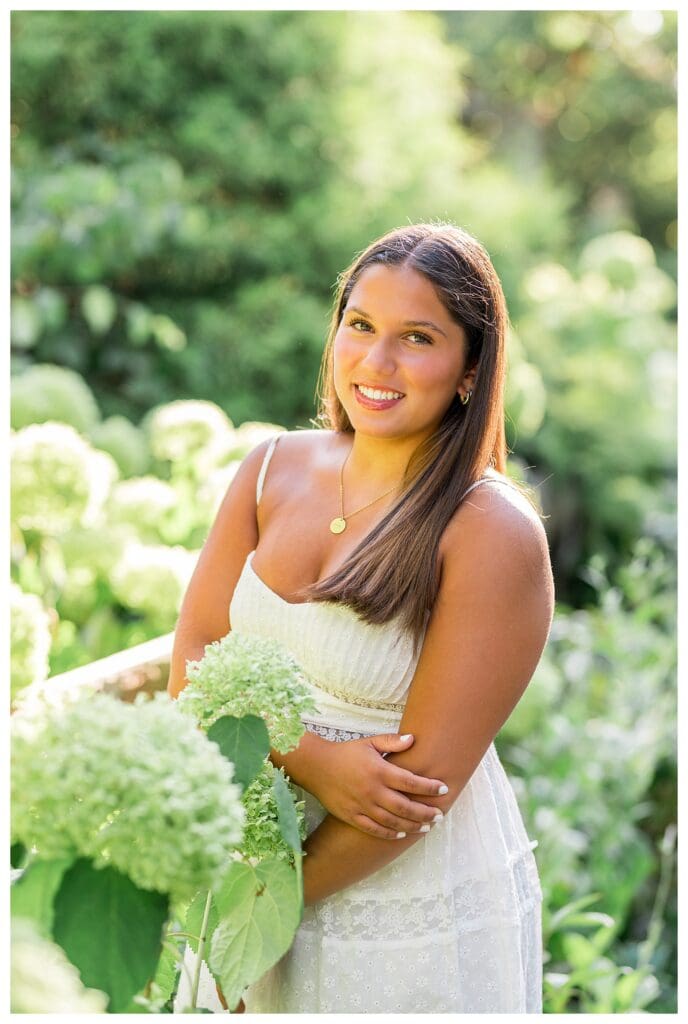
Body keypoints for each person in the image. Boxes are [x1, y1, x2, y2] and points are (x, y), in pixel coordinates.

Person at [168, 222, 554, 1013]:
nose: (376, 364)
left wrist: (263, 913)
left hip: (397, 905)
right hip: (237, 875)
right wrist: (308, 764)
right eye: (361, 325)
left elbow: (411, 797)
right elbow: (195, 662)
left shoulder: (491, 532)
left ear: (472, 371)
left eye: (418, 338)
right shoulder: (269, 469)